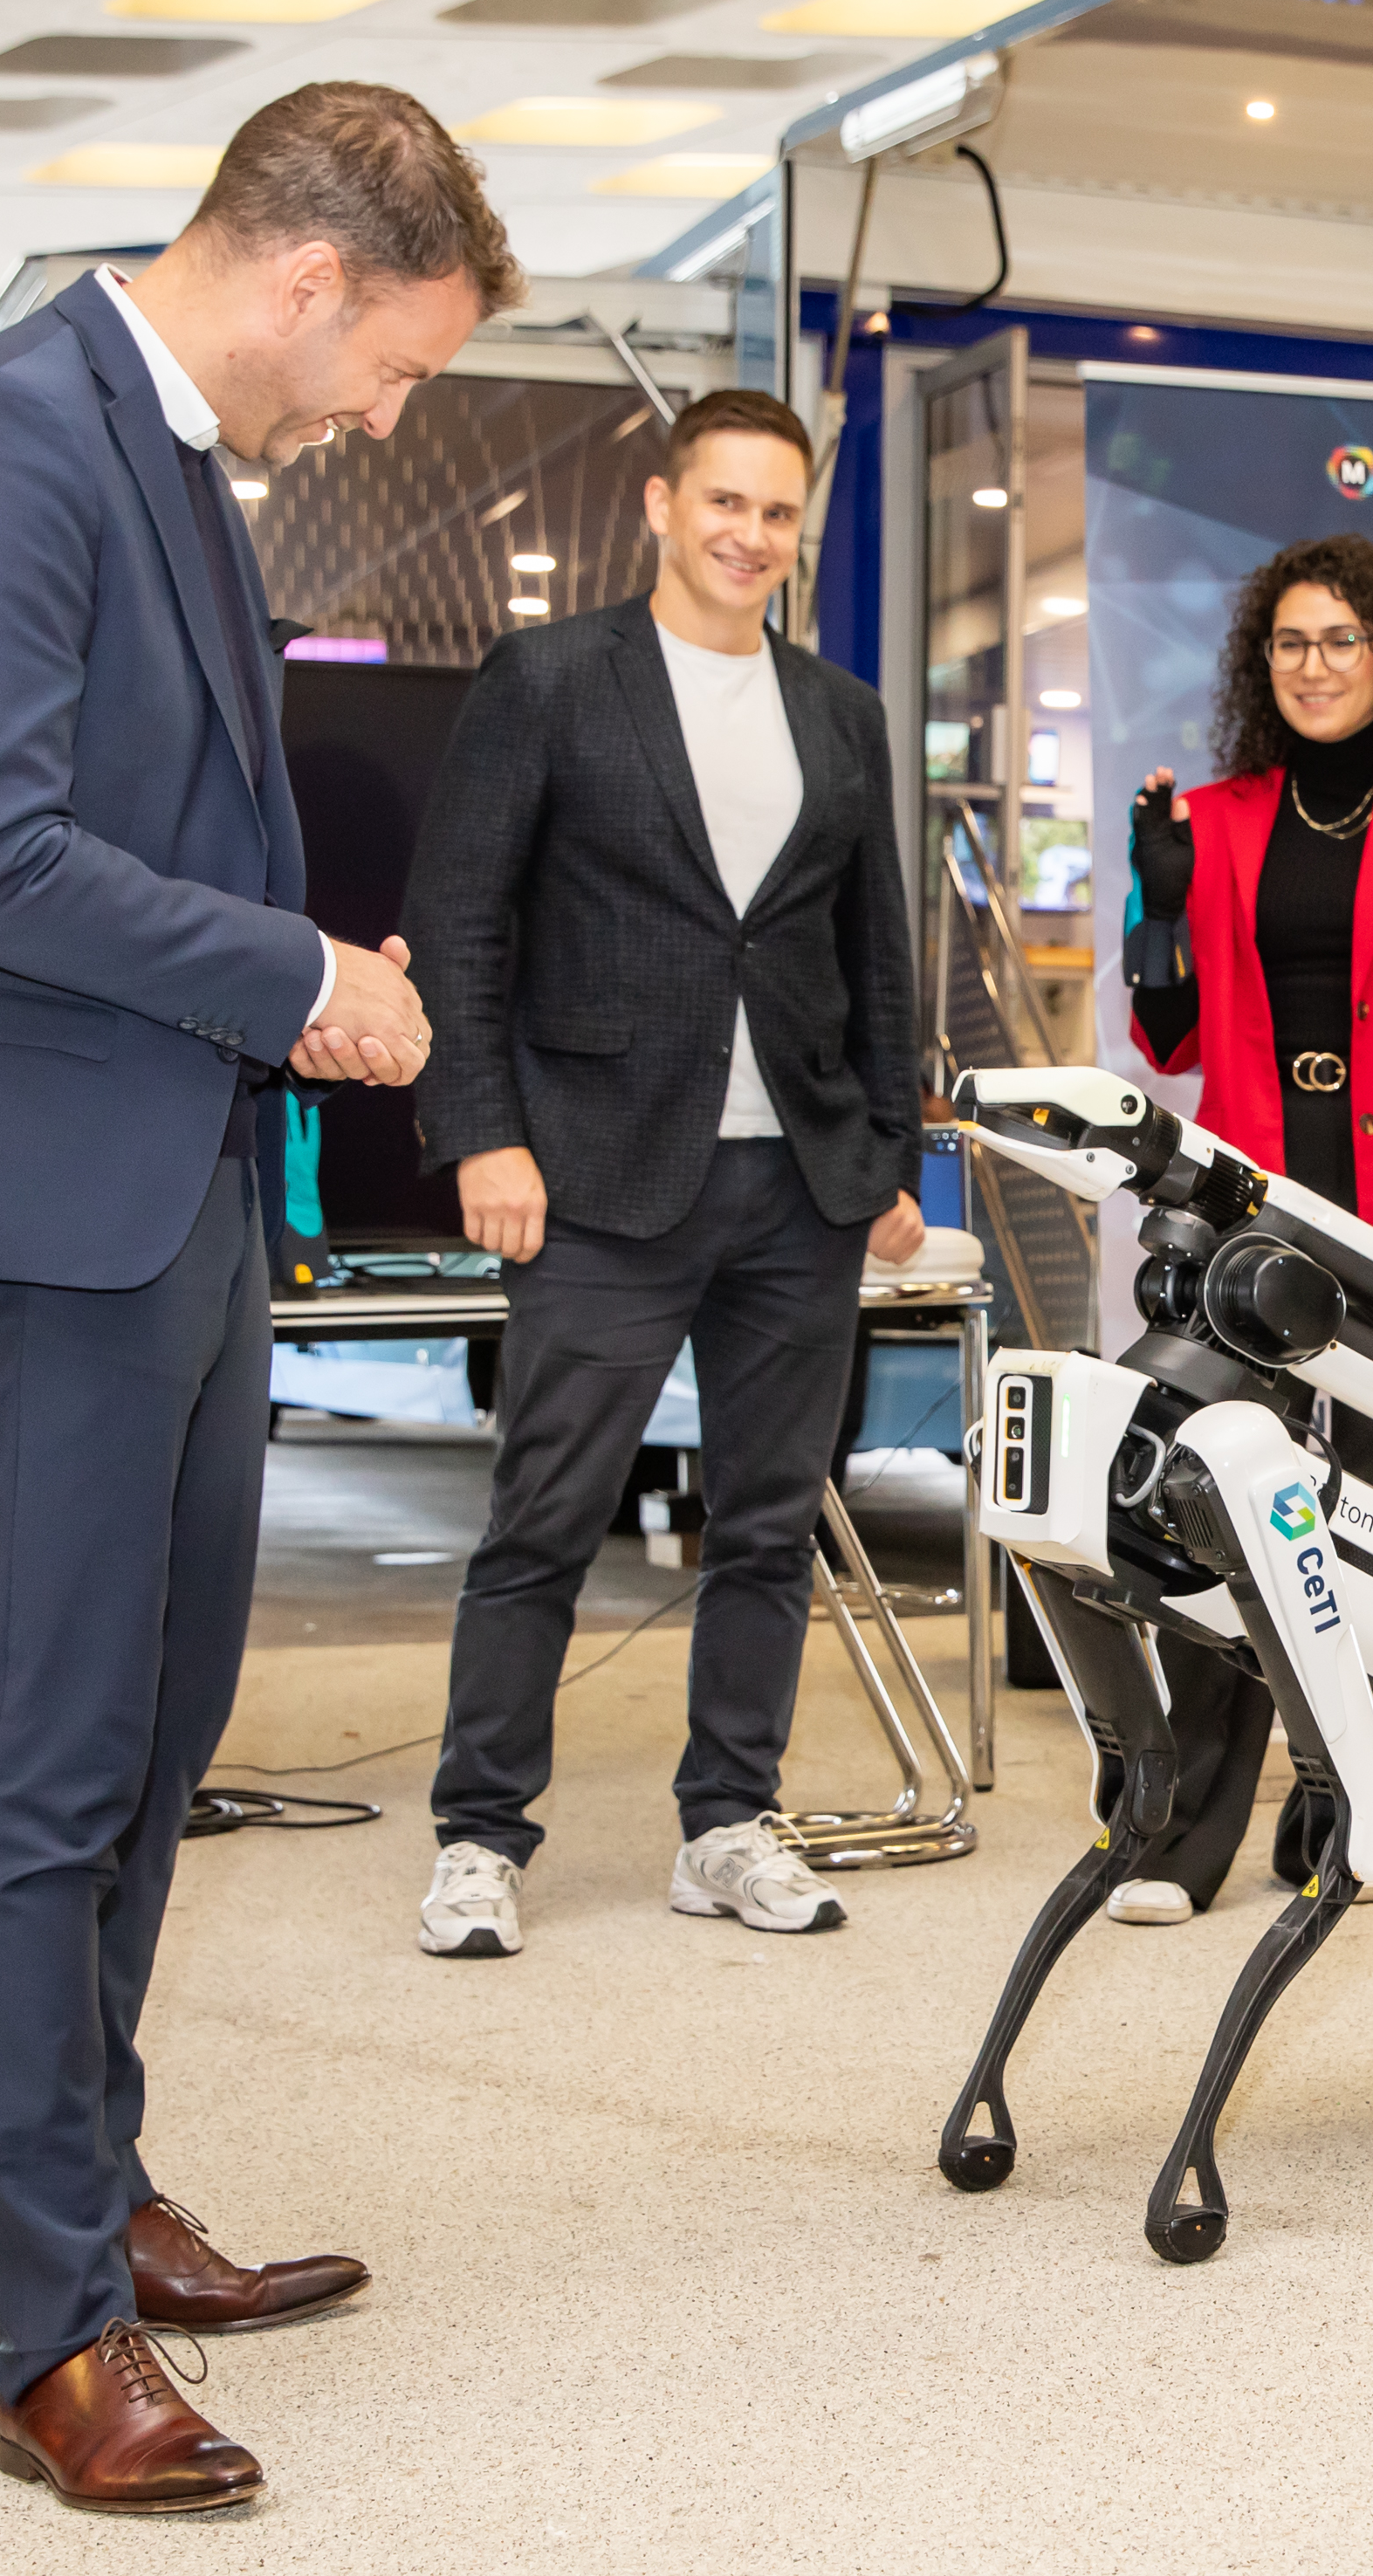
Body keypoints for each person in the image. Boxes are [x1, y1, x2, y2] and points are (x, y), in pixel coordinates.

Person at [0, 84, 511, 2510]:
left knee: (147, 1742)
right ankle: (47, 2337)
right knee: (37, 1774)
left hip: (183, 1187)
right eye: (397, 363)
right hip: (37, 1202)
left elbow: (171, 830)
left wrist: (313, 984)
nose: (384, 415)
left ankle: (90, 2193)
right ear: (307, 276)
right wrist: (297, 969)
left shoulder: (176, 466)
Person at [404, 387, 925, 1962]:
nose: (750, 537)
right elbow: (461, 922)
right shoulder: (552, 679)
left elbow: (873, 955)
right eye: (725, 504)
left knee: (767, 1527)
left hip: (802, 1187)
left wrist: (887, 1155)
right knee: (544, 1520)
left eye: (778, 514)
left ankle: (727, 1823)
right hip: (600, 1180)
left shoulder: (838, 713)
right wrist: (480, 1132)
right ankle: (480, 1835)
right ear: (658, 502)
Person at [1107, 532, 1373, 1923]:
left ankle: (1339, 1804)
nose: (1314, 666)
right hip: (1258, 1217)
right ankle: (1179, 1841)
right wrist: (1159, 911)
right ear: (1262, 662)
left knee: (1370, 1531)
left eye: (1340, 641)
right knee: (1221, 1517)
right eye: (1290, 642)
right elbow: (1168, 1040)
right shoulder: (1221, 817)